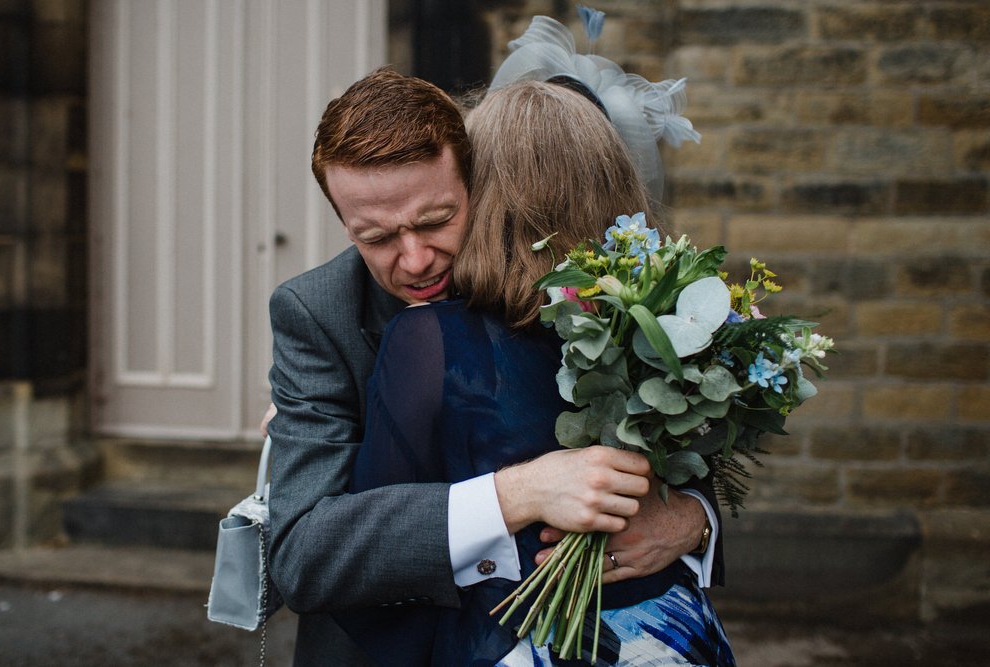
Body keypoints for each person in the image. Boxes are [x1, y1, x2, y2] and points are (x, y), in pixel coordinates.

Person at [266, 68, 719, 666]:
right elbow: (303, 552)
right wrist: (519, 492)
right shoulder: (317, 312)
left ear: (478, 182)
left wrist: (693, 520)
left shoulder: (593, 280)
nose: (415, 260)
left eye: (435, 221)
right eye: (375, 237)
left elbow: (679, 446)